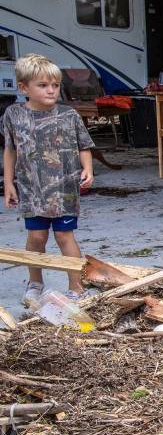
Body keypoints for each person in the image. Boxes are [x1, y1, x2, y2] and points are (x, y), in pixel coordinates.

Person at [2, 54, 95, 304]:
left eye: (55, 85)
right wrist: (9, 183)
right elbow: (10, 149)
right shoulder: (13, 115)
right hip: (32, 190)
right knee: (36, 237)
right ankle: (35, 283)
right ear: (24, 88)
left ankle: (77, 287)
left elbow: (83, 145)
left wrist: (88, 169)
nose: (51, 90)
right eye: (43, 85)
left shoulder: (69, 115)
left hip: (64, 191)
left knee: (65, 236)